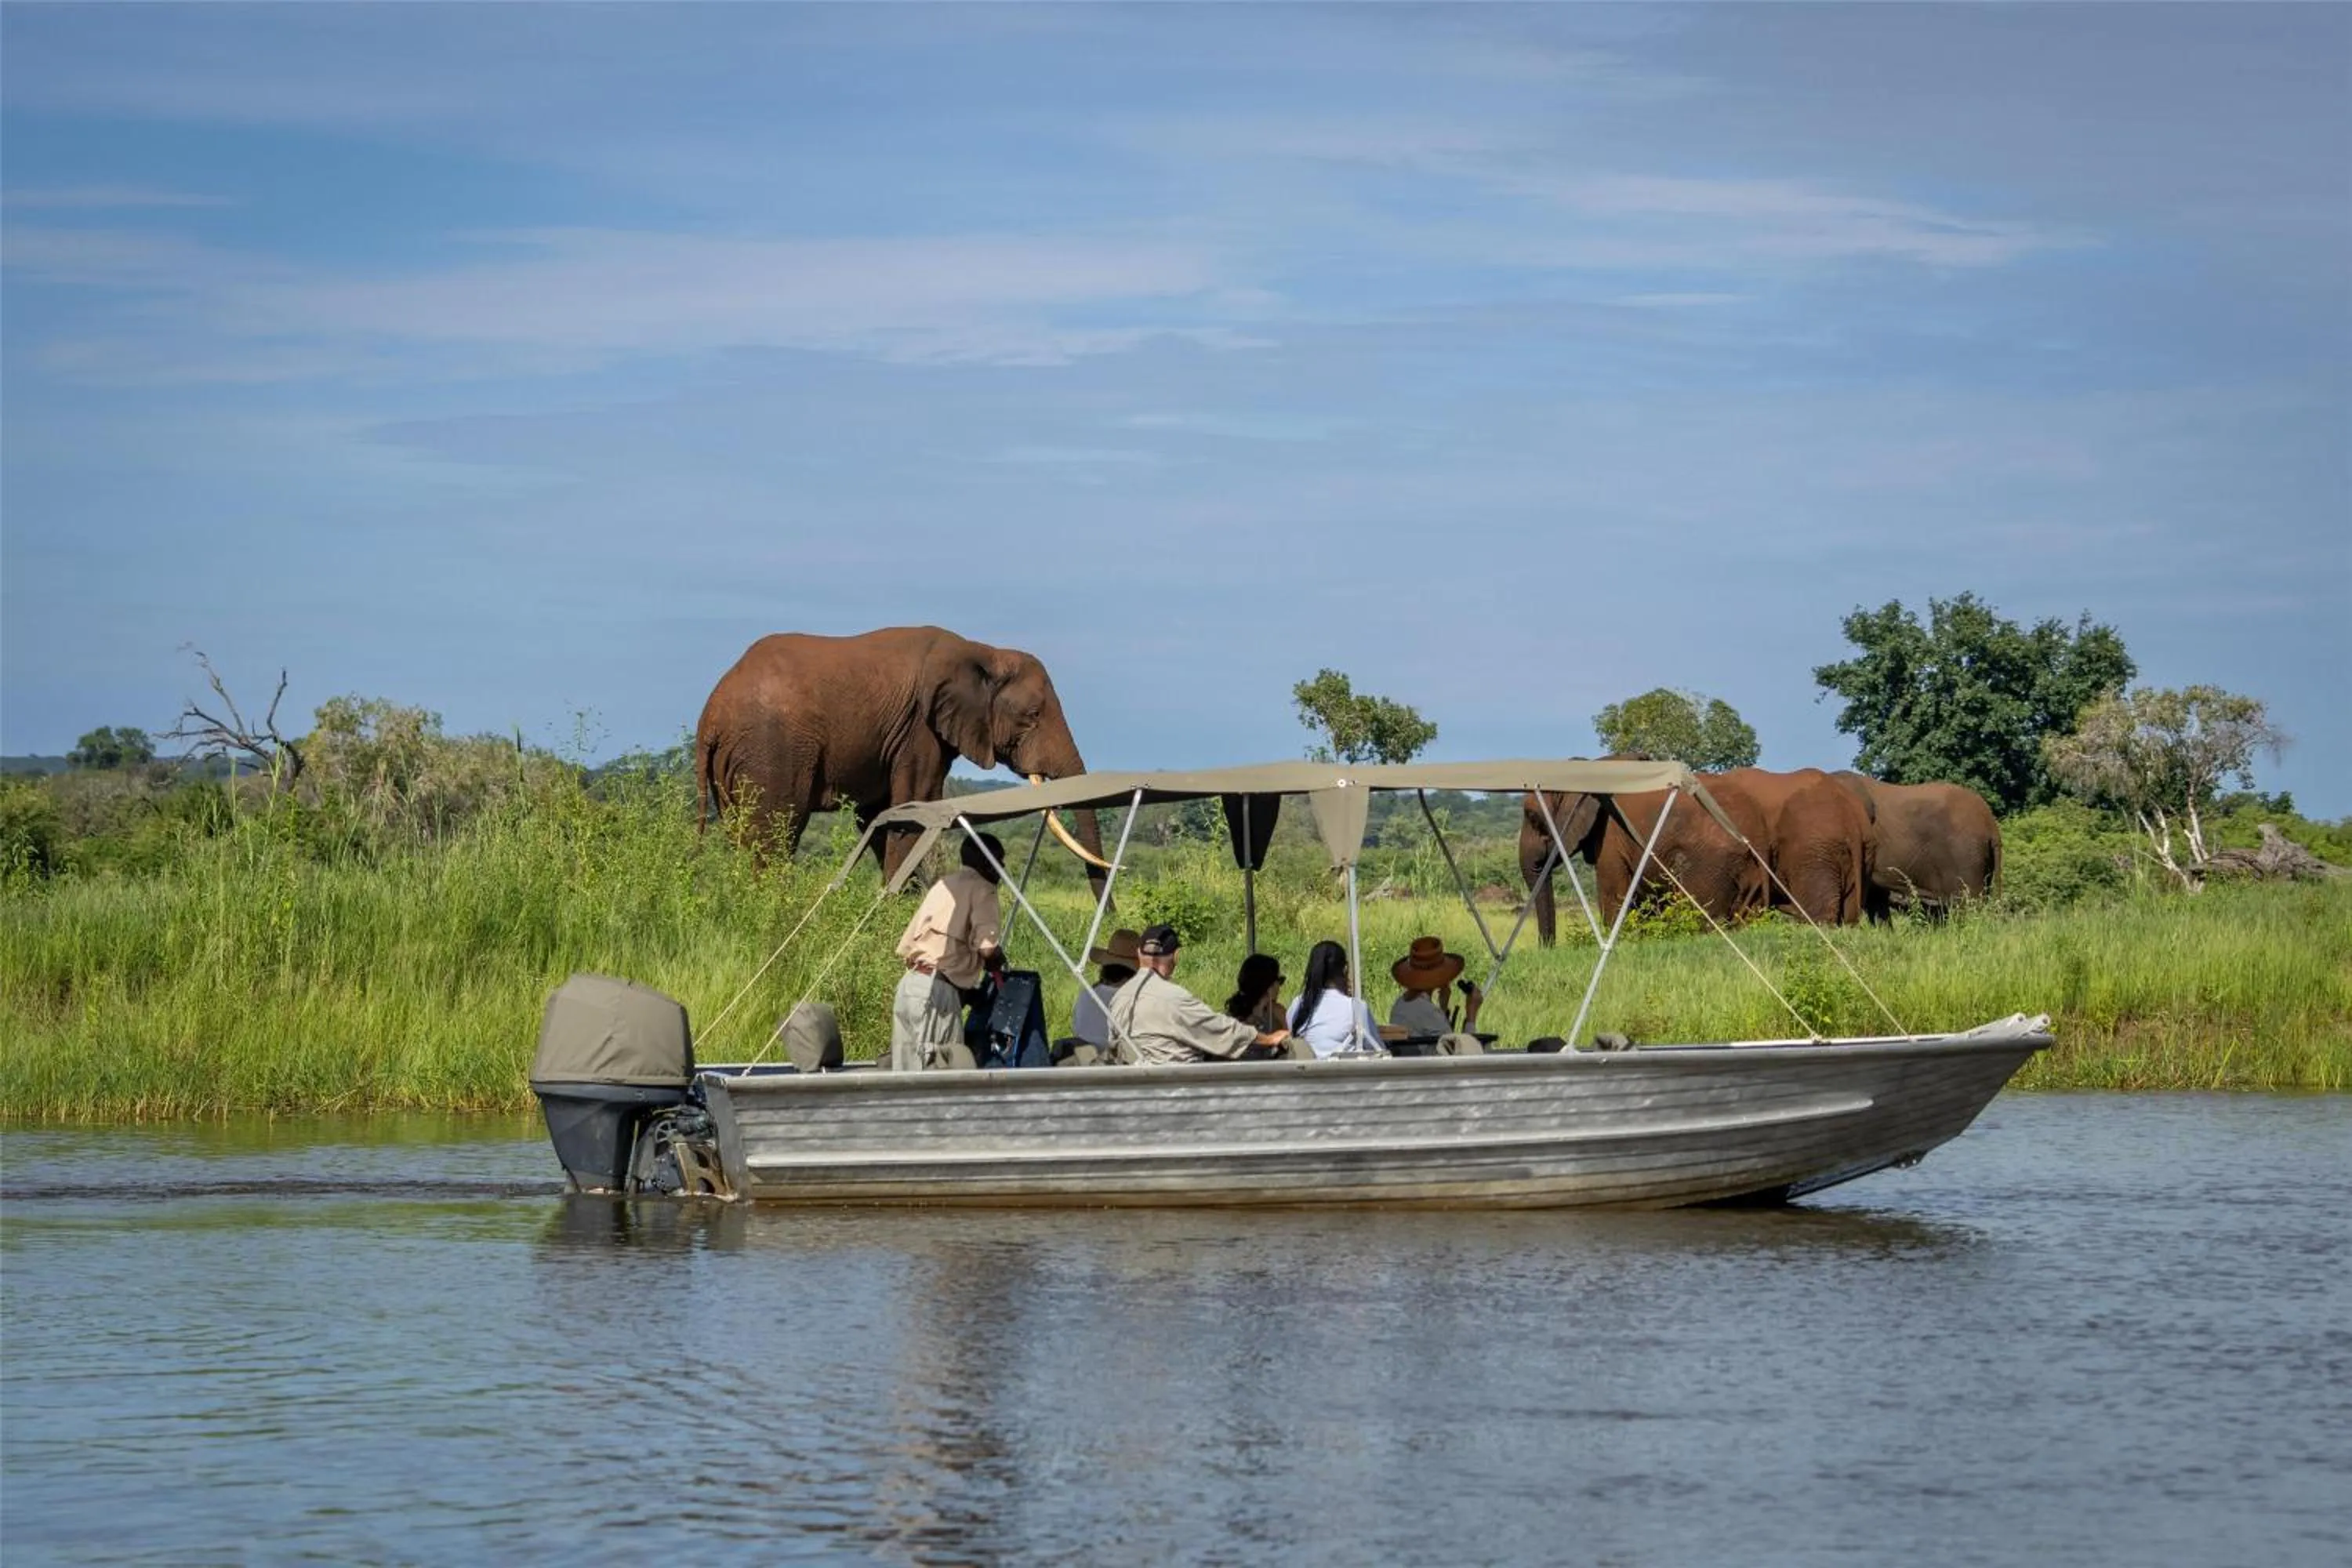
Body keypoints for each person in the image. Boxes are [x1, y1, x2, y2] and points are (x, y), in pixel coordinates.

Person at [891, 831, 1005, 1071]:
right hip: (937, 993)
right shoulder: (983, 889)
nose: (1002, 868)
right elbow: (987, 948)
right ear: (987, 862)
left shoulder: (944, 885)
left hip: (910, 986)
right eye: (999, 861)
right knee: (942, 1071)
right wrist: (997, 960)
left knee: (905, 1073)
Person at [1107, 924, 1290, 1065]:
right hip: (1182, 1084)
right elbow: (1219, 1029)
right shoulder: (1174, 998)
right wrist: (1267, 1039)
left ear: (1139, 953)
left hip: (1137, 1084)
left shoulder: (1118, 999)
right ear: (1177, 955)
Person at [1288, 940, 1391, 1058]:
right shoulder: (1355, 1007)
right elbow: (1377, 1050)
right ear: (1345, 969)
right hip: (1343, 1073)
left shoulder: (1298, 1005)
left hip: (1306, 1073)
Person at [1388, 936, 1483, 1039]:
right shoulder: (1429, 1012)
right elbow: (1459, 1051)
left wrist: (1443, 1006)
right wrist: (1471, 1014)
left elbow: (1437, 1033)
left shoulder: (1399, 1005)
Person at [1069, 927, 1141, 1049]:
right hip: (1116, 1064)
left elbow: (1078, 1031)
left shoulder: (1087, 994)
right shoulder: (1135, 1001)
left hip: (1083, 1061)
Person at [1225, 953, 1287, 1033]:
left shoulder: (1228, 1019)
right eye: (1280, 981)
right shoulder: (1276, 1015)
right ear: (1269, 986)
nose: (1279, 987)